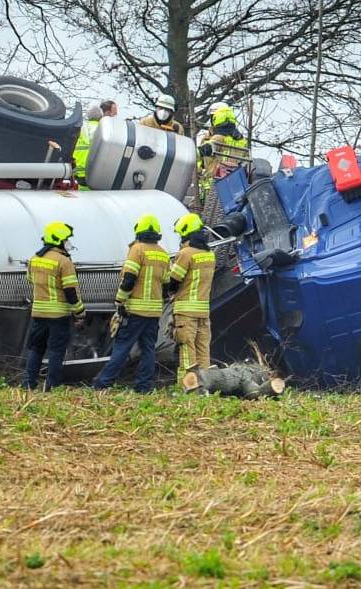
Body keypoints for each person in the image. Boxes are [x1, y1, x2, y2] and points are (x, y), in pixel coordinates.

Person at [92, 214, 170, 392]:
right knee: (148, 349)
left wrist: (120, 300)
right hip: (154, 313)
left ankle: (103, 383)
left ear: (138, 231)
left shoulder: (137, 250)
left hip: (134, 311)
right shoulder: (163, 254)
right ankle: (143, 387)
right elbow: (166, 285)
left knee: (122, 347)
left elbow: (129, 278)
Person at [23, 222, 87, 391]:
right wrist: (79, 313)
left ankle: (28, 384)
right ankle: (52, 386)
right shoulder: (64, 262)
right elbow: (71, 292)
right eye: (67, 240)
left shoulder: (34, 259)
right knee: (56, 351)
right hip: (58, 315)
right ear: (59, 240)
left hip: (38, 313)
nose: (69, 243)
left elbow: (30, 280)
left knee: (36, 349)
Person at [167, 213, 216, 387]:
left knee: (187, 350)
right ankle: (206, 386)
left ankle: (187, 387)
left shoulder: (186, 254)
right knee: (203, 350)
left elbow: (174, 280)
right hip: (203, 311)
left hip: (186, 312)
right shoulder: (210, 255)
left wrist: (169, 292)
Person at [198, 104, 251, 188]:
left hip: (212, 185)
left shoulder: (216, 139)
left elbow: (199, 160)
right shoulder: (243, 141)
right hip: (235, 187)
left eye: (212, 117)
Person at [73, 104, 103, 189]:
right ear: (101, 117)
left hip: (77, 171)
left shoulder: (81, 128)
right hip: (94, 172)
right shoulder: (104, 129)